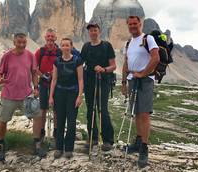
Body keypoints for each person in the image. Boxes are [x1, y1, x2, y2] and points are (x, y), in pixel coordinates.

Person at [0, 33, 45, 162]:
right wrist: (0, 80)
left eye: (24, 42)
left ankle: (36, 144)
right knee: (3, 120)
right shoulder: (7, 56)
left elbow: (34, 73)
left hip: (26, 95)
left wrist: (36, 88)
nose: (22, 45)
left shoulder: (30, 55)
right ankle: (1, 144)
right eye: (19, 42)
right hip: (9, 94)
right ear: (14, 42)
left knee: (38, 116)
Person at [121, 16, 160, 168]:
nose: (132, 26)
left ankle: (144, 147)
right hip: (132, 80)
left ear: (140, 24)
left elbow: (155, 58)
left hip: (145, 80)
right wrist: (124, 82)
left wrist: (143, 73)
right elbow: (125, 63)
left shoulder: (148, 38)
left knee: (144, 113)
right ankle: (138, 142)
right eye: (130, 24)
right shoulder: (129, 43)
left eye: (135, 24)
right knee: (136, 112)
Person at [81, 22, 116, 151]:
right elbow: (80, 63)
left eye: (95, 30)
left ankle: (108, 140)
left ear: (99, 31)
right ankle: (93, 137)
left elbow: (113, 66)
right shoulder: (85, 47)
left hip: (104, 80)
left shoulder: (107, 46)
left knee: (103, 109)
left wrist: (103, 69)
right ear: (88, 33)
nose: (93, 33)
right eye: (91, 31)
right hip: (89, 81)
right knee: (91, 109)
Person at [49, 38, 83, 159]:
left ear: (71, 46)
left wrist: (80, 96)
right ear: (61, 47)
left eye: (67, 45)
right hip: (59, 93)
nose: (65, 47)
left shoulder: (77, 60)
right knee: (60, 120)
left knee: (72, 121)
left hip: (73, 93)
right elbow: (54, 79)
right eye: (63, 45)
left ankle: (69, 148)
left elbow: (80, 79)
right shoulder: (57, 61)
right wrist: (51, 96)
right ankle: (59, 147)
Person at [35, 28, 60, 140]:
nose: (50, 38)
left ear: (55, 38)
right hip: (43, 83)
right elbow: (34, 68)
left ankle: (56, 132)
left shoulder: (60, 52)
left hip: (57, 84)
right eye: (48, 36)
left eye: (52, 36)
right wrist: (42, 75)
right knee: (42, 108)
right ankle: (41, 131)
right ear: (45, 38)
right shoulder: (40, 52)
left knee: (56, 108)